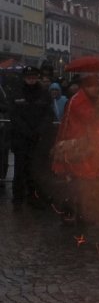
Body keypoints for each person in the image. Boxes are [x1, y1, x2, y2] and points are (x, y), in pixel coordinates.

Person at [51, 73, 99, 244]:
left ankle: (81, 214)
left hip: (88, 149)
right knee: (77, 183)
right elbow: (91, 119)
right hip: (78, 148)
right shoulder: (79, 100)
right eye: (94, 86)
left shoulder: (86, 98)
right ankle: (71, 214)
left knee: (84, 182)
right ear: (86, 86)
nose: (96, 89)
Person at [8, 66, 53, 208]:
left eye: (34, 76)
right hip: (20, 139)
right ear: (24, 77)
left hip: (37, 139)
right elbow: (13, 114)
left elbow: (48, 114)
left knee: (35, 170)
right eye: (29, 76)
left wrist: (39, 130)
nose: (31, 79)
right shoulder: (16, 92)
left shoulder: (44, 93)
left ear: (37, 77)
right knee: (19, 170)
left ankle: (34, 197)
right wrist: (26, 131)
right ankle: (17, 199)